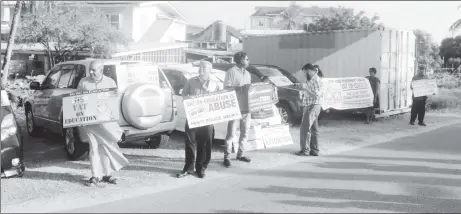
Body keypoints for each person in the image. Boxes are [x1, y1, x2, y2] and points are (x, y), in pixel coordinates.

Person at [76, 60, 129, 187]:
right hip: (91, 123)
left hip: (105, 122)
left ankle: (107, 174)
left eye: (94, 70)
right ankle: (95, 175)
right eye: (90, 70)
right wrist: (79, 119)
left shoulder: (110, 82)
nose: (91, 72)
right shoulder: (84, 82)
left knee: (106, 146)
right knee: (93, 148)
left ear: (101, 70)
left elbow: (114, 101)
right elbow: (77, 101)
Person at [177, 61, 221, 179]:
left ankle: (201, 168)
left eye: (204, 67)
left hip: (207, 118)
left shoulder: (215, 84)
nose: (201, 69)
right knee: (190, 143)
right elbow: (184, 94)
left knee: (204, 144)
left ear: (209, 70)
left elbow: (219, 99)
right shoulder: (191, 81)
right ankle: (188, 168)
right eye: (200, 67)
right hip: (193, 117)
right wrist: (189, 99)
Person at [222, 51, 252, 167]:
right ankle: (227, 156)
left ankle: (240, 154)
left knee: (245, 132)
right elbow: (227, 88)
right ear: (240, 61)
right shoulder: (231, 72)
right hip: (235, 107)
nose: (248, 61)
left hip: (247, 108)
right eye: (247, 59)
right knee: (231, 133)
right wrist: (240, 89)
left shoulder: (248, 74)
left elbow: (249, 91)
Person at [295, 63, 323, 157]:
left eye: (304, 73)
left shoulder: (317, 81)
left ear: (308, 71)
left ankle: (305, 150)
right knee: (313, 129)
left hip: (313, 106)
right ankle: (314, 150)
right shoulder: (311, 80)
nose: (304, 75)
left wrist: (305, 89)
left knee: (304, 128)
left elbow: (315, 96)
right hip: (309, 105)